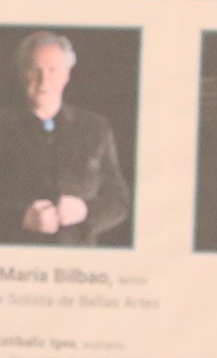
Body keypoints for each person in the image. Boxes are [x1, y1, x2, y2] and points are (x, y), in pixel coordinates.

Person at [1, 31, 129, 246]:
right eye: (35, 69)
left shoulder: (95, 128)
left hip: (79, 260)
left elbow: (119, 201)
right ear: (23, 73)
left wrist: (85, 211)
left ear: (66, 74)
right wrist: (21, 218)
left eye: (53, 69)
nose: (44, 80)